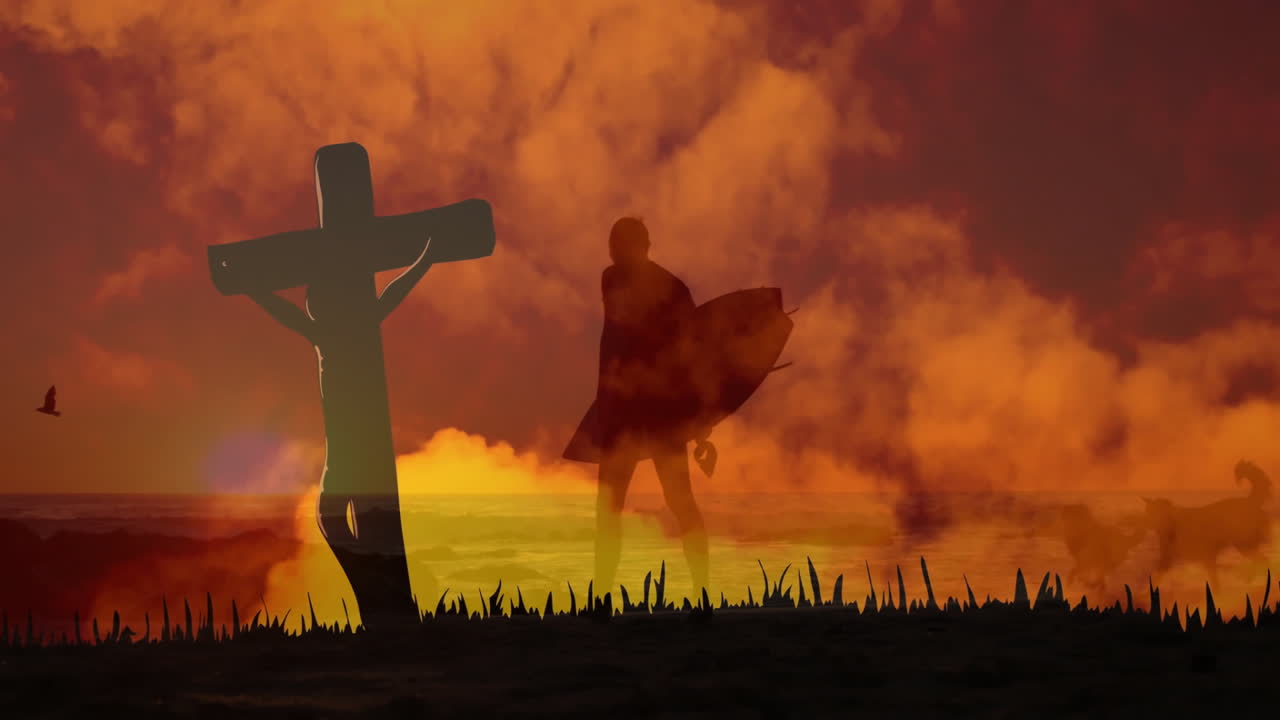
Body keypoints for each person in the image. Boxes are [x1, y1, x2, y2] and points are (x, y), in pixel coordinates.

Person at [246, 239, 434, 623]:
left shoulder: (346, 332)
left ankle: (381, 597)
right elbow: (286, 312)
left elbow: (391, 294)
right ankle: (374, 589)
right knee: (330, 518)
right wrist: (254, 290)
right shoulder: (328, 334)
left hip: (361, 449)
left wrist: (424, 261)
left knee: (336, 517)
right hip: (344, 450)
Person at [594, 217, 709, 596]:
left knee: (679, 501)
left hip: (660, 414)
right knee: (608, 508)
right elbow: (616, 346)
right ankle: (603, 596)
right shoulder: (613, 280)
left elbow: (692, 356)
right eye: (612, 245)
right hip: (625, 413)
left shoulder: (672, 290)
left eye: (618, 244)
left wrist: (699, 418)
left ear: (641, 247)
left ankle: (702, 594)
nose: (612, 252)